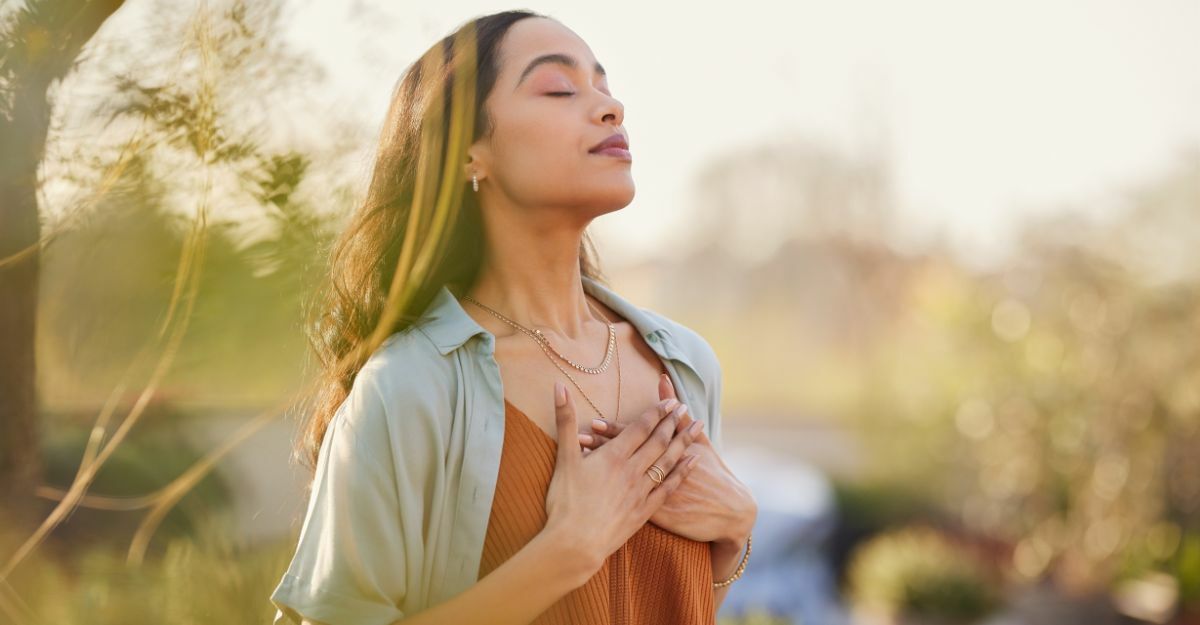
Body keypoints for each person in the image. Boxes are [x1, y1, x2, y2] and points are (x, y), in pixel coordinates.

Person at [269, 10, 757, 625]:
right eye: (559, 89)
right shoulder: (409, 389)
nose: (611, 108)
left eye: (604, 87)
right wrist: (564, 553)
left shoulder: (686, 364)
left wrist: (734, 535)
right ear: (471, 153)